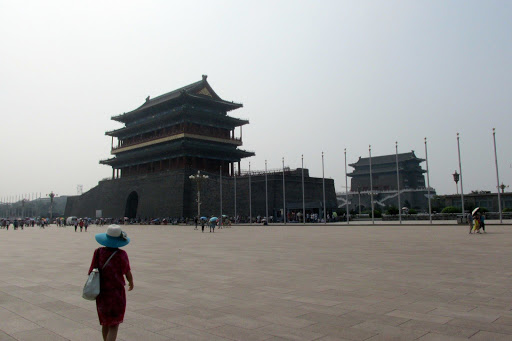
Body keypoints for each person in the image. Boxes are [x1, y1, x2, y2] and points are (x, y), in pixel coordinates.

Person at [89, 225, 133, 341]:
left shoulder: (98, 252)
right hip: (117, 293)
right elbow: (127, 271)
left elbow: (91, 271)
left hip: (102, 293)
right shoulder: (122, 254)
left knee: (105, 323)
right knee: (114, 325)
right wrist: (131, 282)